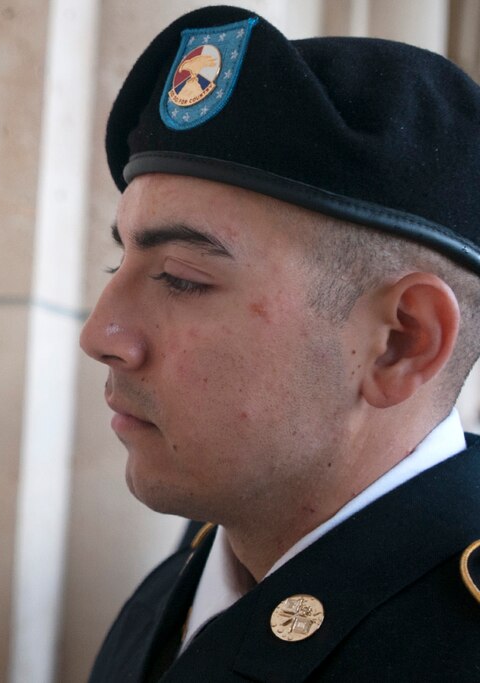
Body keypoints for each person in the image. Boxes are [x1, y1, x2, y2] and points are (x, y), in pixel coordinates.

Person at [80, 5, 480, 681]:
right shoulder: (198, 568)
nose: (100, 335)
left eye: (181, 278)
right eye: (117, 266)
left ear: (400, 342)